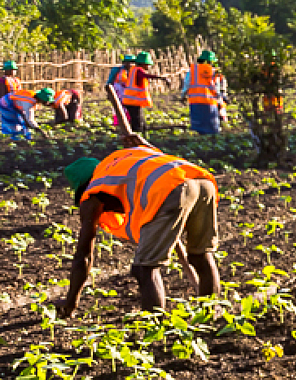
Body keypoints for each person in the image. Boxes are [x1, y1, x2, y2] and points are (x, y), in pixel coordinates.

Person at [58, 132, 222, 318]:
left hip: (170, 189)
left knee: (145, 268)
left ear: (82, 187)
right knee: (201, 255)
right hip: (200, 181)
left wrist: (70, 302)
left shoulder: (94, 192)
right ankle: (210, 315)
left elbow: (83, 256)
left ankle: (156, 329)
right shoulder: (122, 160)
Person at [114, 51, 168, 132]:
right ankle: (136, 134)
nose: (148, 66)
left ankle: (141, 131)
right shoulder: (138, 71)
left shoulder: (133, 70)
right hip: (133, 101)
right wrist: (161, 78)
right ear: (143, 64)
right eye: (147, 65)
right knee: (137, 120)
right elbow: (146, 76)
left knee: (139, 119)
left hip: (130, 100)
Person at [180, 50, 227, 135]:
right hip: (210, 102)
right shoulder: (215, 72)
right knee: (212, 127)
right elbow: (217, 88)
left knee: (199, 125)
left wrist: (183, 95)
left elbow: (187, 84)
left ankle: (202, 138)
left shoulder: (193, 70)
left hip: (195, 101)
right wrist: (220, 100)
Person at [1, 72, 37, 140]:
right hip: (7, 102)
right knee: (11, 121)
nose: (13, 72)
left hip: (16, 101)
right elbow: (2, 92)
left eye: (14, 70)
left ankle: (24, 136)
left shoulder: (16, 80)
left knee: (20, 119)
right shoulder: (3, 80)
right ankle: (12, 137)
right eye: (12, 70)